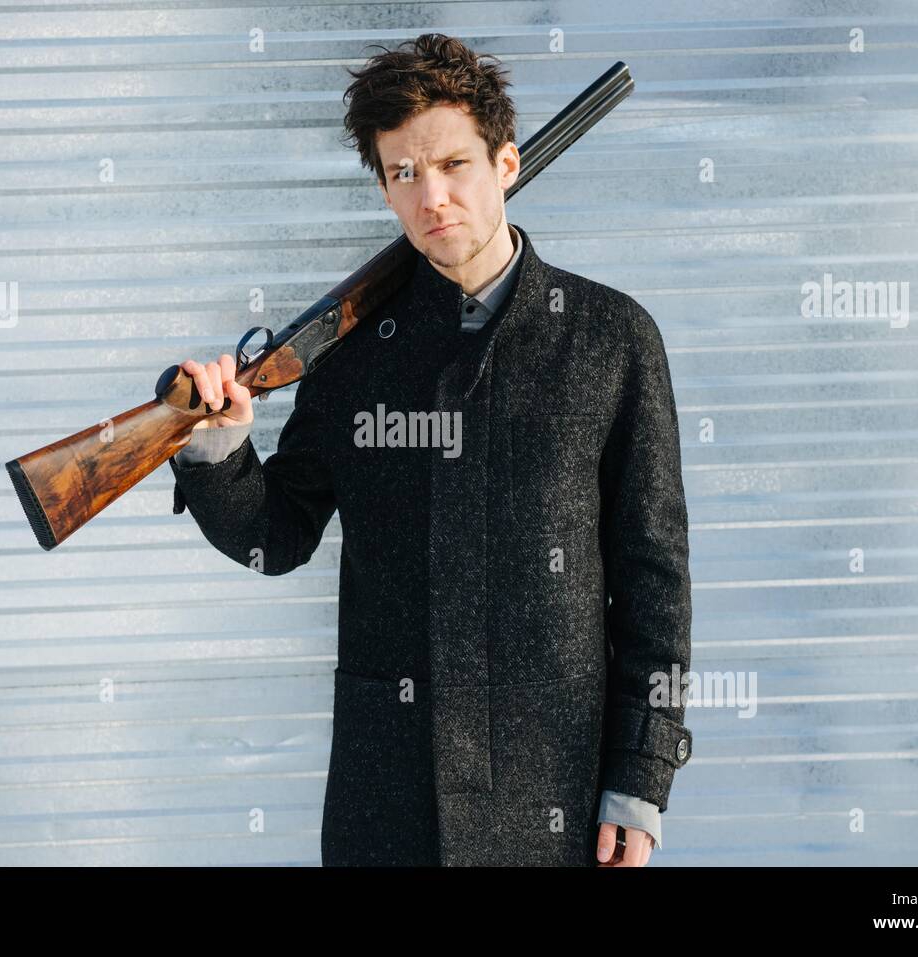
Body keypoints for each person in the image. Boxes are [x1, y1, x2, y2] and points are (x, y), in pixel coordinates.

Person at [167, 33, 693, 867]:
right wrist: (219, 450)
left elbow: (653, 577)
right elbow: (280, 534)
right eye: (403, 174)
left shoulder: (610, 339)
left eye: (453, 164)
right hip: (389, 800)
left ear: (508, 164)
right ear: (382, 187)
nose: (433, 197)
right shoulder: (348, 358)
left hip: (556, 797)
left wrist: (640, 774)